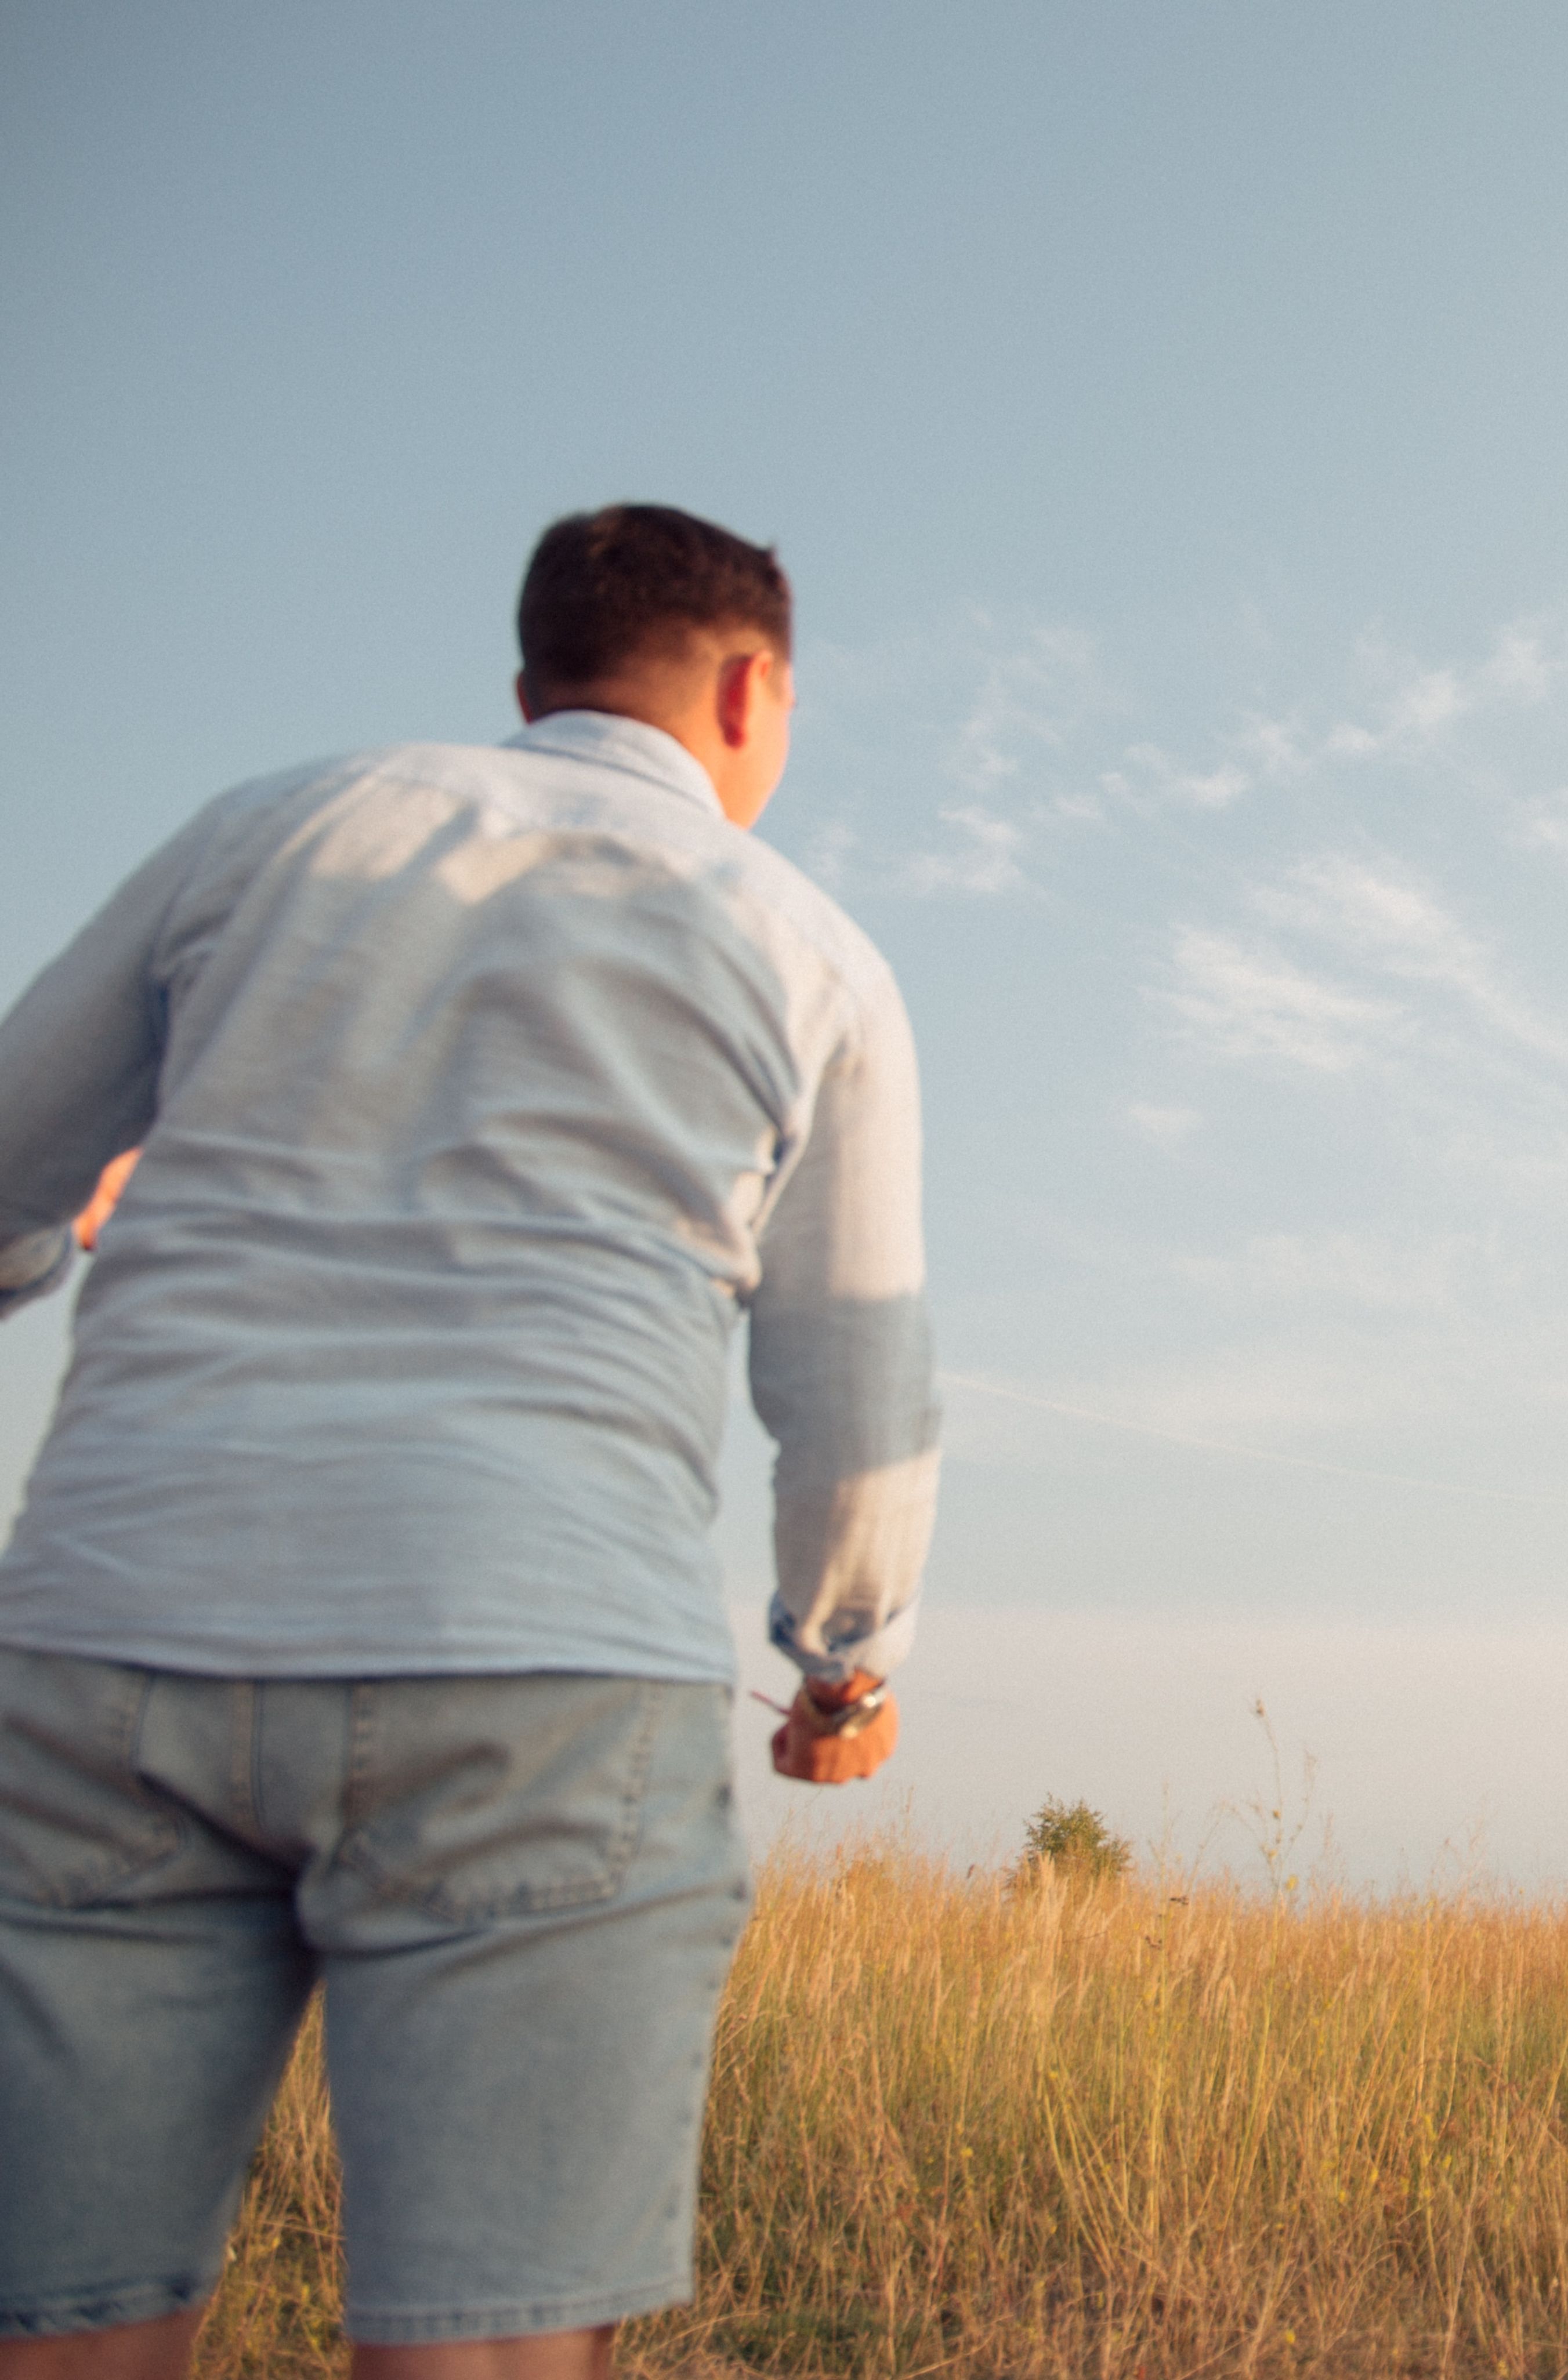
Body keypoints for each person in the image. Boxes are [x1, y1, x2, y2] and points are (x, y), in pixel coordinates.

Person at [0, 506, 940, 2379]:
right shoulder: (807, 946)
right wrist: (844, 1658)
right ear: (755, 690)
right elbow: (854, 1383)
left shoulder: (268, 825)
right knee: (483, 2354)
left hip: (113, 1625)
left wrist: (53, 1228)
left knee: (61, 2326)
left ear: (528, 689)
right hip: (543, 1659)